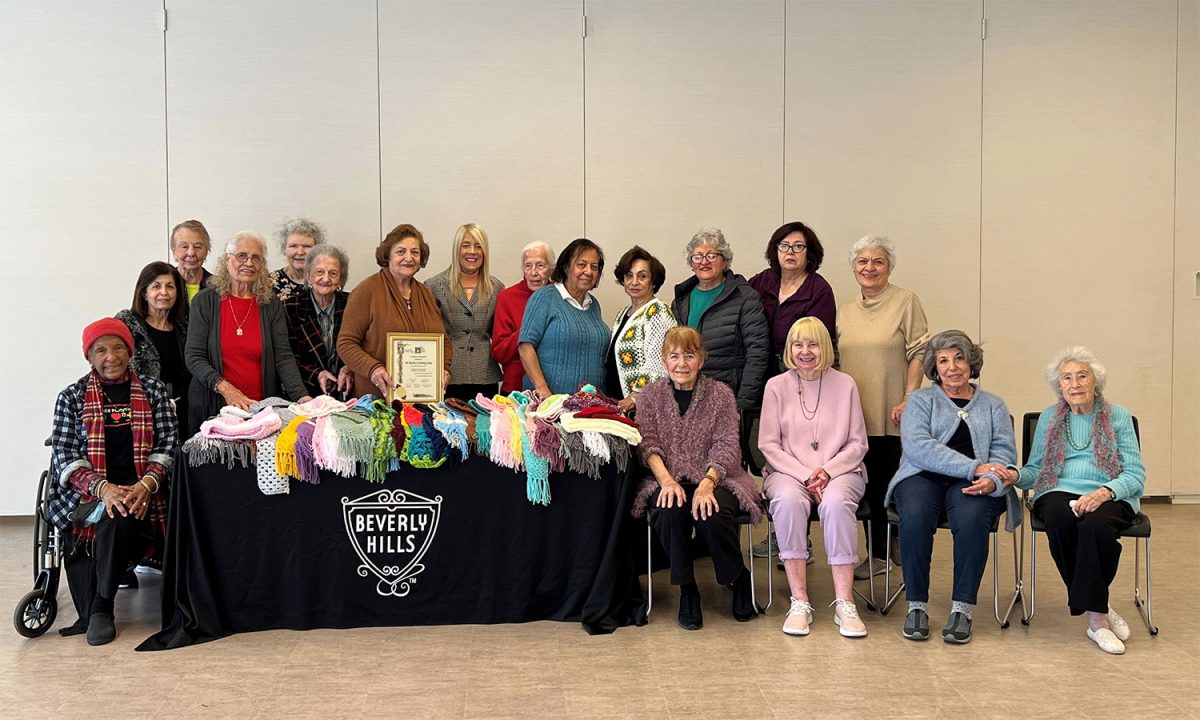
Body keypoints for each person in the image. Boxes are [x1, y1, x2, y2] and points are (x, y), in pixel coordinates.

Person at [885, 330, 1019, 644]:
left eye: (959, 358)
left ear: (972, 363)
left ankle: (962, 608)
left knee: (972, 519)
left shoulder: (993, 405)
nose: (952, 367)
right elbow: (919, 448)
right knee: (915, 514)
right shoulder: (920, 401)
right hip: (922, 476)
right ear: (935, 367)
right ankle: (916, 606)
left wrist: (992, 479)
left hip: (975, 482)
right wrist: (974, 467)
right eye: (943, 360)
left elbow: (1003, 453)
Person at [50, 319, 179, 645]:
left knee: (124, 510)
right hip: (92, 494)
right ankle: (101, 606)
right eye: (101, 350)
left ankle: (101, 606)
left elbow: (168, 444)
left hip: (148, 490)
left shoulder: (152, 391)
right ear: (89, 357)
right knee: (114, 514)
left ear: (130, 352)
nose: (112, 357)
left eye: (119, 348)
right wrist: (103, 489)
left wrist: (146, 484)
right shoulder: (71, 397)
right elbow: (65, 455)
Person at [1018, 346, 1145, 655]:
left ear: (1095, 381)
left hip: (1109, 490)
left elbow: (1135, 473)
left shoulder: (1118, 415)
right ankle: (1100, 611)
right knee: (1059, 518)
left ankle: (1096, 618)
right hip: (1057, 489)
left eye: (1082, 376)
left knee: (1095, 526)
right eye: (1067, 378)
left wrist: (1103, 492)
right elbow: (1035, 470)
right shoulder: (1050, 417)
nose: (1075, 384)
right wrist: (1011, 475)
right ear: (1059, 385)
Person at [631, 327, 761, 630]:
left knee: (710, 511)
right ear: (664, 360)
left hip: (718, 477)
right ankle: (687, 589)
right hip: (665, 477)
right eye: (674, 356)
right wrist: (666, 481)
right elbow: (646, 444)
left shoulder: (721, 395)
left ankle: (737, 577)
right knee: (668, 510)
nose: (681, 363)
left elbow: (727, 445)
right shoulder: (649, 396)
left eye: (689, 356)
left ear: (701, 359)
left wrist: (707, 483)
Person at [759, 317, 868, 637]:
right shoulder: (775, 386)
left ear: (826, 348)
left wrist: (827, 471)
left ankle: (845, 603)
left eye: (813, 344)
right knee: (788, 501)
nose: (805, 351)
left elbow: (857, 443)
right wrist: (807, 474)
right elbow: (768, 444)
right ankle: (800, 601)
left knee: (835, 503)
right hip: (788, 471)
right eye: (798, 344)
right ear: (789, 349)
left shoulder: (845, 384)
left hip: (840, 471)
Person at [837, 234, 929, 580]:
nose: (869, 268)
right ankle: (877, 555)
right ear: (853, 268)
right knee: (864, 487)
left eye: (878, 261)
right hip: (853, 415)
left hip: (892, 411)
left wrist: (910, 396)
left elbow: (919, 350)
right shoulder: (845, 310)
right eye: (862, 261)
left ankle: (893, 547)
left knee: (889, 484)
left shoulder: (906, 301)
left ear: (889, 267)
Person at [184, 231, 310, 433]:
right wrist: (227, 389)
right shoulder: (205, 301)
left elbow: (283, 357)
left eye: (256, 258)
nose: (249, 263)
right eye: (241, 256)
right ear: (227, 260)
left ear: (262, 265)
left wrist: (302, 398)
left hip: (260, 410)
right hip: (214, 407)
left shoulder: (270, 304)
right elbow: (194, 356)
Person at [338, 223, 452, 399]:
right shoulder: (366, 291)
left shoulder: (426, 294)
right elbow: (346, 343)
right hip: (375, 398)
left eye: (415, 252)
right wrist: (373, 369)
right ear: (387, 255)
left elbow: (444, 341)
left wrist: (444, 368)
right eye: (401, 251)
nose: (409, 258)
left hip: (420, 399)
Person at [670, 227, 769, 415]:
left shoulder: (746, 297)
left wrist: (741, 406)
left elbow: (758, 354)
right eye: (697, 256)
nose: (704, 261)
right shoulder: (681, 301)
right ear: (691, 263)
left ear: (724, 260)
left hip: (728, 401)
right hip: (688, 398)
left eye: (711, 255)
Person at [518, 238, 609, 396]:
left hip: (588, 403)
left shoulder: (594, 305)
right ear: (566, 267)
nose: (588, 271)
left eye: (594, 267)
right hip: (550, 403)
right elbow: (525, 346)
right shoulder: (545, 297)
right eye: (581, 264)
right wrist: (543, 391)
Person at [426, 223, 505, 402]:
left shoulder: (497, 288)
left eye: (478, 246)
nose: (472, 252)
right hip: (447, 375)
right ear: (457, 249)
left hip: (485, 376)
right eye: (466, 245)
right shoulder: (433, 286)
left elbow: (499, 335)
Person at [748, 221, 837, 374]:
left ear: (809, 253)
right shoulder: (762, 281)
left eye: (798, 246)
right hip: (758, 367)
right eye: (784, 246)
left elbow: (820, 343)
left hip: (800, 370)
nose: (790, 252)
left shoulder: (819, 290)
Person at [115, 261, 191, 432]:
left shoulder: (183, 328)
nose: (164, 292)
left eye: (170, 286)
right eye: (156, 286)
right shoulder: (127, 323)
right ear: (144, 293)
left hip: (177, 414)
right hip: (137, 413)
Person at [605, 246, 676, 413]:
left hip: (643, 408)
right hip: (618, 402)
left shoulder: (658, 312)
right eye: (629, 275)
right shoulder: (623, 313)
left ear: (654, 281)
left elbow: (659, 364)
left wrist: (635, 397)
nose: (634, 282)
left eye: (642, 276)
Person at [282, 245, 352, 398]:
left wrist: (350, 368)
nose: (326, 279)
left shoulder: (353, 304)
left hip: (347, 392)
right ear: (308, 276)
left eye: (333, 273)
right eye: (319, 272)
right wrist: (317, 374)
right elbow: (288, 356)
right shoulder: (290, 307)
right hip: (305, 393)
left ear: (341, 279)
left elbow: (363, 347)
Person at [492, 241, 553, 393]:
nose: (533, 273)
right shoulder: (507, 297)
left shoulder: (559, 295)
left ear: (551, 268)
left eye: (540, 266)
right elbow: (499, 352)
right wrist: (528, 331)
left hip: (553, 389)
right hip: (516, 390)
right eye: (528, 266)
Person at [269, 217, 327, 302]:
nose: (300, 252)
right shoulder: (270, 283)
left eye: (307, 246)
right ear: (284, 249)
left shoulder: (326, 280)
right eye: (293, 246)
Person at [170, 219, 213, 304]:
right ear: (174, 251)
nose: (191, 253)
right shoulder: (165, 286)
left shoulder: (218, 287)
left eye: (197, 247)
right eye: (184, 246)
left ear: (206, 251)